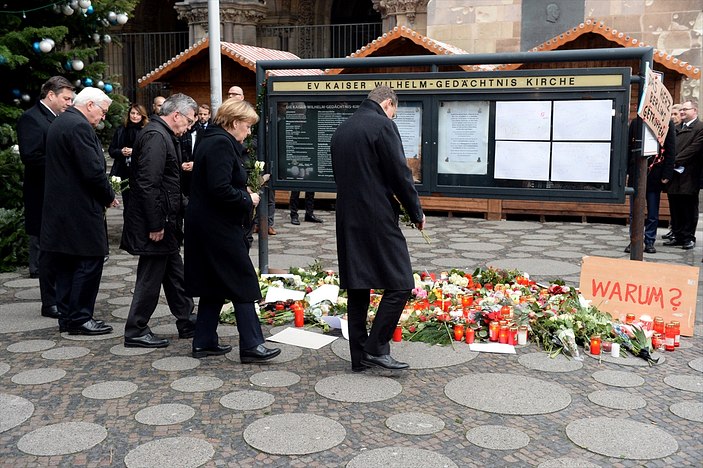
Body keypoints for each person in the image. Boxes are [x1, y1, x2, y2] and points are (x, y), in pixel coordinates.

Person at [330, 85, 425, 372]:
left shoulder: (342, 129)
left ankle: (359, 357)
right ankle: (376, 348)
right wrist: (415, 211)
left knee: (359, 284)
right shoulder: (383, 126)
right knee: (400, 282)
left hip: (347, 216)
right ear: (387, 104)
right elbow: (399, 174)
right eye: (394, 113)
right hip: (377, 217)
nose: (393, 118)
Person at [184, 99, 281, 362]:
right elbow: (219, 189)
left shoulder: (214, 139)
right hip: (217, 226)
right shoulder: (219, 143)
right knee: (242, 281)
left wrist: (242, 191)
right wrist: (247, 199)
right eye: (248, 126)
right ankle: (251, 345)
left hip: (209, 224)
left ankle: (204, 341)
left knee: (214, 283)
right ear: (236, 122)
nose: (249, 132)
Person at [120, 94, 198, 348]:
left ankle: (186, 319)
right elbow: (147, 184)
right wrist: (156, 224)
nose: (188, 128)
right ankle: (135, 329)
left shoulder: (162, 133)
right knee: (150, 277)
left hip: (166, 220)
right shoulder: (156, 136)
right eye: (188, 122)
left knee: (175, 273)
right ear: (176, 115)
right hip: (156, 223)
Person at [41, 87, 117, 335]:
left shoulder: (61, 121)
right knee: (89, 261)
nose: (103, 117)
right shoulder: (79, 126)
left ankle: (67, 316)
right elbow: (93, 171)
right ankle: (80, 317)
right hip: (80, 209)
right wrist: (108, 195)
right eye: (103, 112)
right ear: (90, 105)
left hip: (62, 208)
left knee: (67, 265)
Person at [16, 76, 74, 319]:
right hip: (42, 196)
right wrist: (67, 165)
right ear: (51, 94)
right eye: (66, 98)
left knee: (61, 251)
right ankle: (49, 302)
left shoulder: (61, 118)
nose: (70, 103)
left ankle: (63, 297)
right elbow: (31, 157)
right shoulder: (31, 118)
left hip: (60, 196)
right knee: (48, 252)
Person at [625, 119, 676, 254]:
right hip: (636, 173)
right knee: (634, 212)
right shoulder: (636, 122)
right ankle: (635, 240)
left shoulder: (666, 123)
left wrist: (667, 173)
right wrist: (626, 171)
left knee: (652, 212)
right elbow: (628, 148)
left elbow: (671, 151)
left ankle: (649, 241)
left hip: (655, 174)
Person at [663, 100, 703, 250]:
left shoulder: (700, 128)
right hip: (674, 175)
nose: (682, 112)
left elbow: (694, 148)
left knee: (688, 208)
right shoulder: (676, 127)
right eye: (681, 110)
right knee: (675, 206)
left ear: (695, 111)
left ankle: (688, 237)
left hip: (690, 175)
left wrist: (674, 160)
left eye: (685, 110)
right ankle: (677, 235)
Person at [108, 103, 149, 209]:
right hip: (122, 171)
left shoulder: (146, 131)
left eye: (138, 114)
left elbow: (149, 152)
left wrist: (134, 151)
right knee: (126, 203)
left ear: (142, 116)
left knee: (138, 204)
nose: (135, 116)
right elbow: (111, 151)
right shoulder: (121, 129)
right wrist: (121, 152)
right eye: (133, 113)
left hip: (139, 172)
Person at [662, 104, 683, 241]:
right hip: (672, 172)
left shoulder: (683, 130)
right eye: (672, 114)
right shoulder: (670, 129)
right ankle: (674, 229)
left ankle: (682, 233)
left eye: (676, 114)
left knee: (683, 206)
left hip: (683, 174)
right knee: (673, 204)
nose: (674, 117)